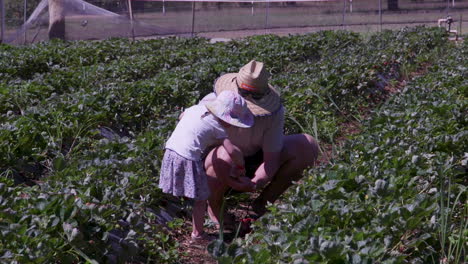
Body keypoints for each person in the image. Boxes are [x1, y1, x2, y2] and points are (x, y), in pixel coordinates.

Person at [201, 60, 320, 227]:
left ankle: (263, 203)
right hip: (217, 165)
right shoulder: (213, 103)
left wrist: (256, 182)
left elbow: (271, 158)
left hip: (253, 159)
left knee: (307, 145)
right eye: (243, 94)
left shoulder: (273, 113)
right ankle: (215, 206)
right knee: (224, 156)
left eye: (255, 96)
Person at [159, 90, 255, 241]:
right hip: (188, 158)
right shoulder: (218, 128)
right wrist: (240, 166)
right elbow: (233, 151)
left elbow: (181, 116)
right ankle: (198, 234)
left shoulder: (195, 109)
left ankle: (186, 197)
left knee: (194, 191)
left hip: (171, 151)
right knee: (201, 198)